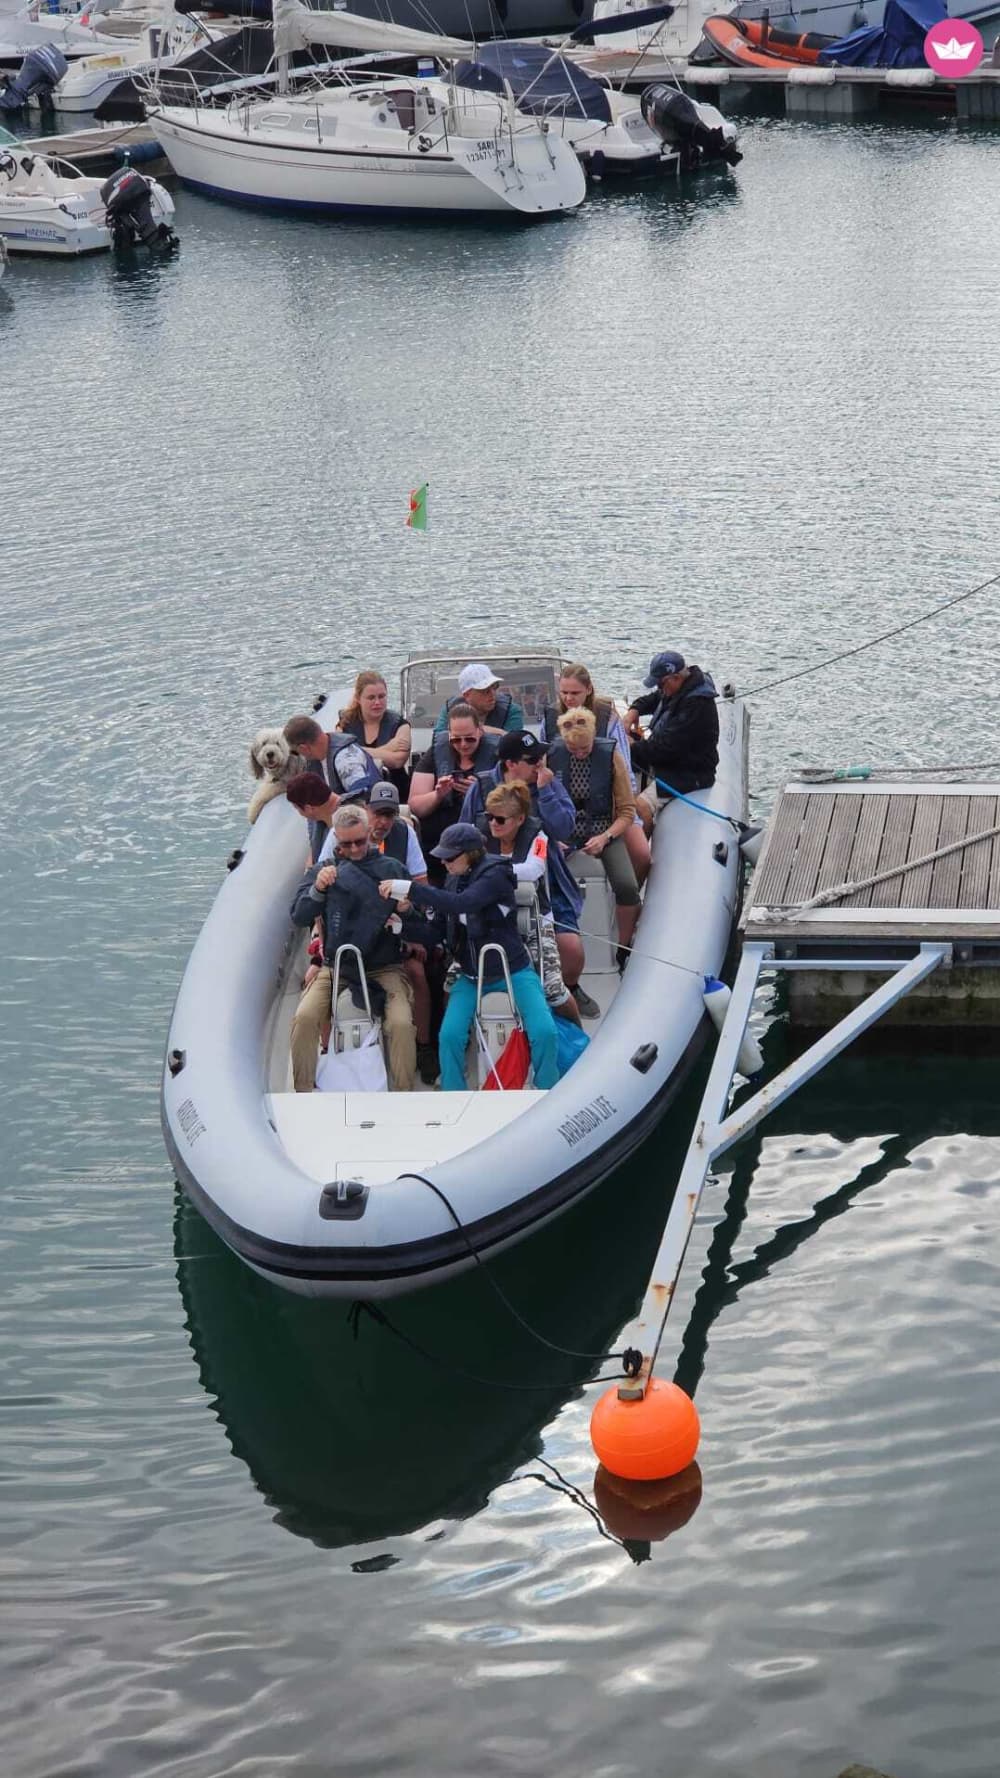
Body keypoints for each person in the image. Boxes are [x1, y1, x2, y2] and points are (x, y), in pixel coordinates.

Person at [380, 823, 559, 1093]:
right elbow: (435, 931)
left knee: (544, 1031)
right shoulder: (453, 881)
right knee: (449, 1036)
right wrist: (400, 927)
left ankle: (547, 1091)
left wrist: (410, 888)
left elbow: (463, 903)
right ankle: (454, 1094)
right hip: (471, 976)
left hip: (514, 971)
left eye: (450, 857)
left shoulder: (495, 875)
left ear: (471, 854)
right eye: (443, 858)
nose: (444, 863)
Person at [458, 732, 589, 1014]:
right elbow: (463, 837)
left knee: (571, 950)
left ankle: (567, 992)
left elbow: (564, 829)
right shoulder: (480, 788)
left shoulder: (547, 784)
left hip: (545, 882)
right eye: (533, 760)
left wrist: (546, 792)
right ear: (511, 764)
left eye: (541, 757)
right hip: (488, 892)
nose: (540, 764)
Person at [289, 804, 416, 1093]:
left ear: (369, 833)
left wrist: (406, 910)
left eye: (360, 841)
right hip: (336, 967)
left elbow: (422, 924)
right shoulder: (323, 871)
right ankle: (303, 1091)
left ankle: (404, 1092)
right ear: (336, 840)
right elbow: (298, 916)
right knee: (304, 1018)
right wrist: (317, 890)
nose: (355, 849)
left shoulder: (392, 869)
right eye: (347, 844)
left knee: (401, 1024)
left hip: (384, 967)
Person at [318, 780, 436, 1083]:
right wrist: (320, 941)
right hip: (345, 932)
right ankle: (327, 1050)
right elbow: (320, 892)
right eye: (377, 813)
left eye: (389, 815)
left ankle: (423, 1045)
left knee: (419, 972)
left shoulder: (405, 834)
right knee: (313, 980)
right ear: (365, 810)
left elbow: (419, 886)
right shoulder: (340, 833)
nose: (382, 822)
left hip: (390, 931)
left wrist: (410, 929)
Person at [478, 780, 582, 1026]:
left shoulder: (539, 837)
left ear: (520, 819)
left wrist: (490, 872)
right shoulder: (478, 835)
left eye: (500, 819)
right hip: (488, 921)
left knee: (553, 990)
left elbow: (533, 870)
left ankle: (578, 1034)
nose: (493, 823)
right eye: (489, 817)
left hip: (536, 920)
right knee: (456, 982)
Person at [548, 706, 641, 960]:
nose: (579, 754)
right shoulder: (550, 758)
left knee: (627, 886)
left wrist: (605, 837)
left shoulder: (611, 757)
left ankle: (622, 947)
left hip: (603, 831)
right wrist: (554, 839)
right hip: (562, 835)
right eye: (573, 749)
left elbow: (627, 811)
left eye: (584, 749)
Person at [543, 662, 649, 885]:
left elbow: (625, 769)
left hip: (607, 802)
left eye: (575, 693)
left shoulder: (608, 718)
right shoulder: (550, 718)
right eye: (564, 692)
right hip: (565, 803)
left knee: (641, 855)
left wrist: (625, 807)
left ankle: (627, 896)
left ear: (588, 689)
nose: (568, 698)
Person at [624, 651, 720, 831]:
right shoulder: (680, 687)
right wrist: (634, 711)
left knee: (640, 807)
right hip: (671, 764)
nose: (659, 688)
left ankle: (642, 845)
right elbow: (654, 698)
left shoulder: (696, 706)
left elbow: (664, 749)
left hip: (690, 773)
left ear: (675, 677)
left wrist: (631, 746)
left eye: (661, 683)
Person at [408, 702, 499, 873]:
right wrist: (438, 794)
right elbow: (415, 806)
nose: (463, 744)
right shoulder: (436, 753)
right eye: (456, 739)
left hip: (481, 834)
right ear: (449, 734)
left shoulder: (497, 754)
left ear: (480, 731)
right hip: (437, 836)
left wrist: (479, 793)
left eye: (469, 738)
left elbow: (512, 803)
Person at [337, 670, 412, 802]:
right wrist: (388, 748)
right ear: (358, 699)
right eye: (371, 698)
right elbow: (340, 755)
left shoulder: (401, 725)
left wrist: (355, 749)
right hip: (357, 792)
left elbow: (397, 761)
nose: (377, 702)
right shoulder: (344, 724)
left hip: (395, 791)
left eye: (381, 696)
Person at [283, 714, 383, 808]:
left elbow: (363, 797)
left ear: (304, 748)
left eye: (295, 752)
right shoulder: (315, 761)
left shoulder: (346, 760)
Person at [432, 663, 525, 737]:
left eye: (494, 687)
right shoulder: (450, 710)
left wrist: (463, 732)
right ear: (467, 695)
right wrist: (499, 732)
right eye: (485, 690)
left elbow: (513, 743)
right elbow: (439, 738)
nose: (492, 694)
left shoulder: (511, 711)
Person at [286, 771, 340, 865]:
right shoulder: (321, 820)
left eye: (297, 809)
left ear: (309, 808)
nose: (300, 814)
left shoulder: (346, 825)